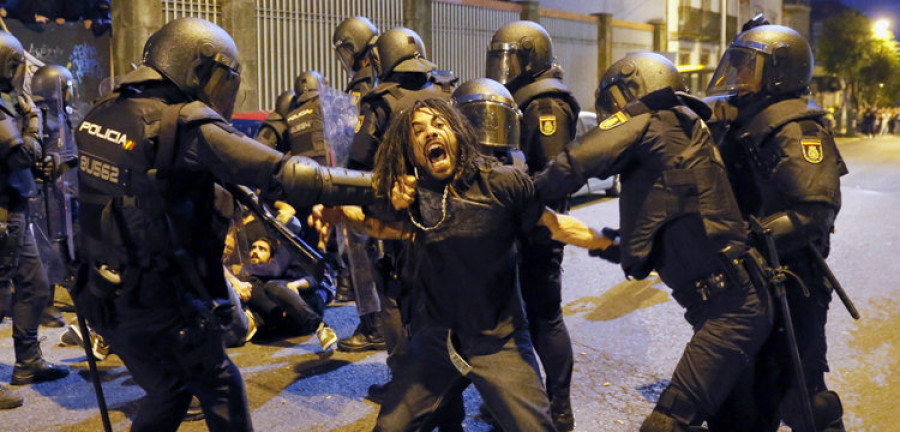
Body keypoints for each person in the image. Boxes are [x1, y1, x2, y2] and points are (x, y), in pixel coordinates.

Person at [74, 17, 374, 431]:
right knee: (219, 384)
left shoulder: (104, 109)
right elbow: (290, 174)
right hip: (164, 301)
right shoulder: (183, 124)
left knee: (169, 390)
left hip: (103, 294)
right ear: (197, 67)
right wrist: (380, 185)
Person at [313, 97, 612, 432]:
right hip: (438, 341)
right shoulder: (411, 196)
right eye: (418, 130)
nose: (430, 133)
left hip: (500, 341)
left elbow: (556, 225)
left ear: (457, 133)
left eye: (439, 125)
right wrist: (337, 212)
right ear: (411, 150)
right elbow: (380, 226)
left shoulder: (502, 184)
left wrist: (612, 242)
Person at [533, 52, 775, 431]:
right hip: (731, 303)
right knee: (734, 422)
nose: (612, 112)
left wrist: (516, 198)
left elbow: (574, 163)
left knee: (667, 421)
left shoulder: (654, 116)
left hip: (731, 311)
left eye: (614, 102)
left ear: (635, 87)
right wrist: (596, 241)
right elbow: (656, 234)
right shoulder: (677, 132)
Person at [705, 24, 848, 431]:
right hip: (748, 280)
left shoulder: (798, 128)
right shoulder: (743, 118)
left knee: (802, 393)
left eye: (749, 66)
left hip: (792, 281)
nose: (739, 75)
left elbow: (813, 212)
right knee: (738, 396)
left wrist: (749, 240)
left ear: (779, 72)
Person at [347, 26, 455, 402]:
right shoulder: (445, 90)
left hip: (398, 216)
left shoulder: (381, 101)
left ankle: (405, 383)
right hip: (446, 213)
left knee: (395, 296)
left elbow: (358, 160)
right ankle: (443, 378)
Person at [486, 20, 581, 431]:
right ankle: (519, 400)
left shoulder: (546, 101)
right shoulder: (517, 95)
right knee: (514, 318)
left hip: (536, 226)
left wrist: (531, 215)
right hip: (511, 223)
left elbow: (554, 174)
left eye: (512, 59)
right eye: (500, 59)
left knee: (545, 316)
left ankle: (559, 409)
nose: (505, 67)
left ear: (534, 58)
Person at [0, 31, 69, 410]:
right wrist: (32, 130)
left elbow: (31, 157)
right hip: (1, 211)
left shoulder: (11, 98)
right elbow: (18, 152)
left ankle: (27, 362)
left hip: (15, 207)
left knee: (35, 285)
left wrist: (45, 159)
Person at [331, 15, 386, 350]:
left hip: (363, 183)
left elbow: (356, 144)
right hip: (387, 184)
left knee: (362, 257)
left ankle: (374, 326)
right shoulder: (386, 79)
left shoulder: (363, 86)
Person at [237, 236, 337, 350]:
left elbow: (313, 280)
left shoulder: (283, 274)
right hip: (287, 326)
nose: (255, 251)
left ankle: (320, 327)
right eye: (253, 248)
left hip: (308, 309)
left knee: (272, 286)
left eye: (262, 249)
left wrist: (296, 285)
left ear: (271, 259)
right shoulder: (251, 282)